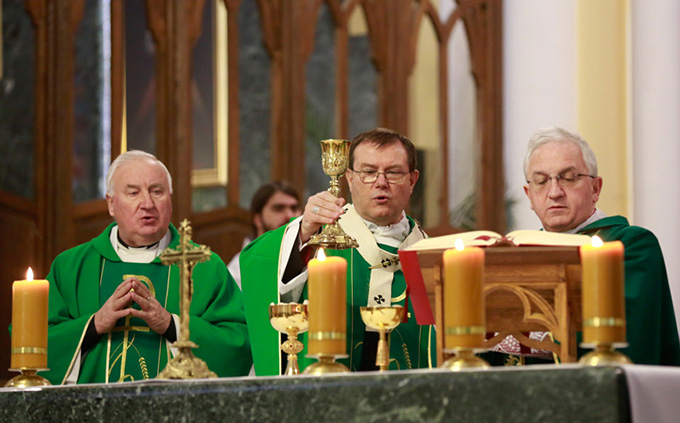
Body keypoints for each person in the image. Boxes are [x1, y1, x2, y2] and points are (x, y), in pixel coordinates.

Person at [43, 150, 252, 384]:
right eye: (133, 193)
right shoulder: (72, 267)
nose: (147, 204)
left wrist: (171, 325)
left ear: (170, 200)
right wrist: (94, 324)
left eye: (157, 192)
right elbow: (37, 345)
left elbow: (238, 344)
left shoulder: (204, 266)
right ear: (111, 204)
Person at [240, 128, 435, 376]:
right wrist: (302, 231)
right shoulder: (321, 235)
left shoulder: (431, 254)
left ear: (412, 180)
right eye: (368, 172)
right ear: (350, 178)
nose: (381, 182)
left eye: (394, 172)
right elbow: (258, 264)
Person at [520, 126, 680, 365]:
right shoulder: (517, 256)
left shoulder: (631, 246)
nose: (554, 192)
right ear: (529, 195)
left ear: (595, 188)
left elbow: (627, 333)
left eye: (569, 178)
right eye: (541, 181)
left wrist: (517, 337)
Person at [227, 181, 301, 288]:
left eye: (294, 208)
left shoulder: (311, 260)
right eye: (278, 208)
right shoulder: (238, 269)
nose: (289, 215)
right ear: (257, 219)